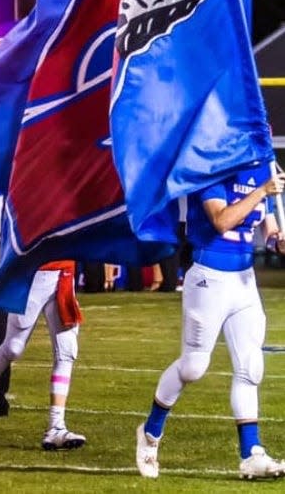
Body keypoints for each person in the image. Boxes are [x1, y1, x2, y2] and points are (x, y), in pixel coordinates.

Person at [136, 164, 285, 480]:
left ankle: (251, 452)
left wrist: (277, 241)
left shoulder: (264, 169)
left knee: (250, 366)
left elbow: (268, 229)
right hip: (209, 278)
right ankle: (150, 433)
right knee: (193, 367)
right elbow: (221, 220)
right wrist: (261, 190)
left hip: (244, 280)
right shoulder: (212, 164)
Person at [0, 260, 86, 449]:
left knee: (66, 351)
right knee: (13, 348)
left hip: (64, 274)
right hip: (33, 274)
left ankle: (56, 426)